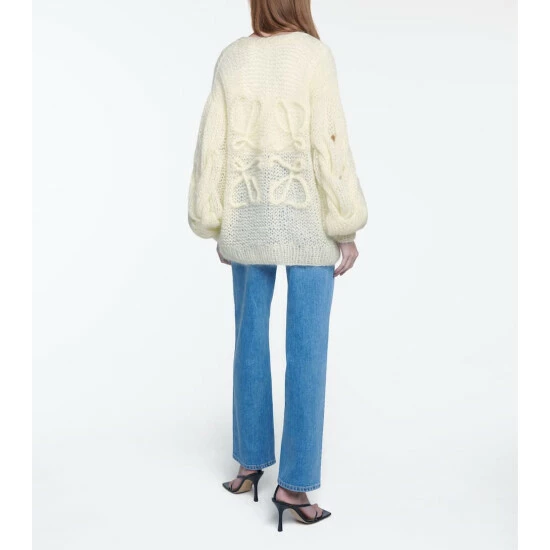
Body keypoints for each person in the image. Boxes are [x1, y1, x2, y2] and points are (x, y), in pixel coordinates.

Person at [187, 0, 368, 532]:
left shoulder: (232, 57)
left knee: (249, 339)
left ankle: (249, 466)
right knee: (307, 351)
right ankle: (294, 486)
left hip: (246, 218)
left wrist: (214, 220)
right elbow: (329, 143)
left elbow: (213, 145)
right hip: (308, 220)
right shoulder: (313, 55)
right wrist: (345, 225)